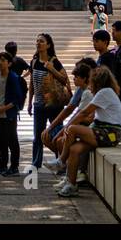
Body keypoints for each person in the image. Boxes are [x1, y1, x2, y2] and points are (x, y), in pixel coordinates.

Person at [57, 66, 121, 198]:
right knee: (75, 150)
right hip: (103, 131)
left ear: (96, 81)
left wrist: (67, 128)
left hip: (109, 133)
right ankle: (71, 184)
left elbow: (84, 112)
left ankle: (61, 160)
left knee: (72, 129)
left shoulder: (104, 92)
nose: (89, 85)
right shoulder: (106, 92)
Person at [41, 60, 97, 171]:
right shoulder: (82, 89)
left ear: (86, 77)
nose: (74, 79)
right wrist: (52, 127)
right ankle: (64, 165)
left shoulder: (88, 92)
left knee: (60, 140)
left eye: (76, 76)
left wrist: (60, 132)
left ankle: (66, 167)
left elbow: (79, 115)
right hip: (82, 125)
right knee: (48, 137)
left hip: (89, 127)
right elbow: (71, 110)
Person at [28, 33, 71, 169]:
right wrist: (29, 102)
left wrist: (52, 69)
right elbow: (31, 83)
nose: (38, 43)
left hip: (54, 105)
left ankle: (60, 161)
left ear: (48, 45)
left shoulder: (54, 61)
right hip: (39, 104)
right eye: (37, 41)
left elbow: (65, 79)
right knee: (38, 136)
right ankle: (36, 163)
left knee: (57, 134)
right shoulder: (34, 61)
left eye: (41, 41)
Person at [0, 51, 27, 175]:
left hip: (9, 114)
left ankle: (14, 167)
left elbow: (17, 98)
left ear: (9, 63)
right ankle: (2, 165)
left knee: (12, 140)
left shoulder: (13, 77)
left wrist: (5, 108)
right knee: (2, 140)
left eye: (3, 60)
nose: (0, 63)